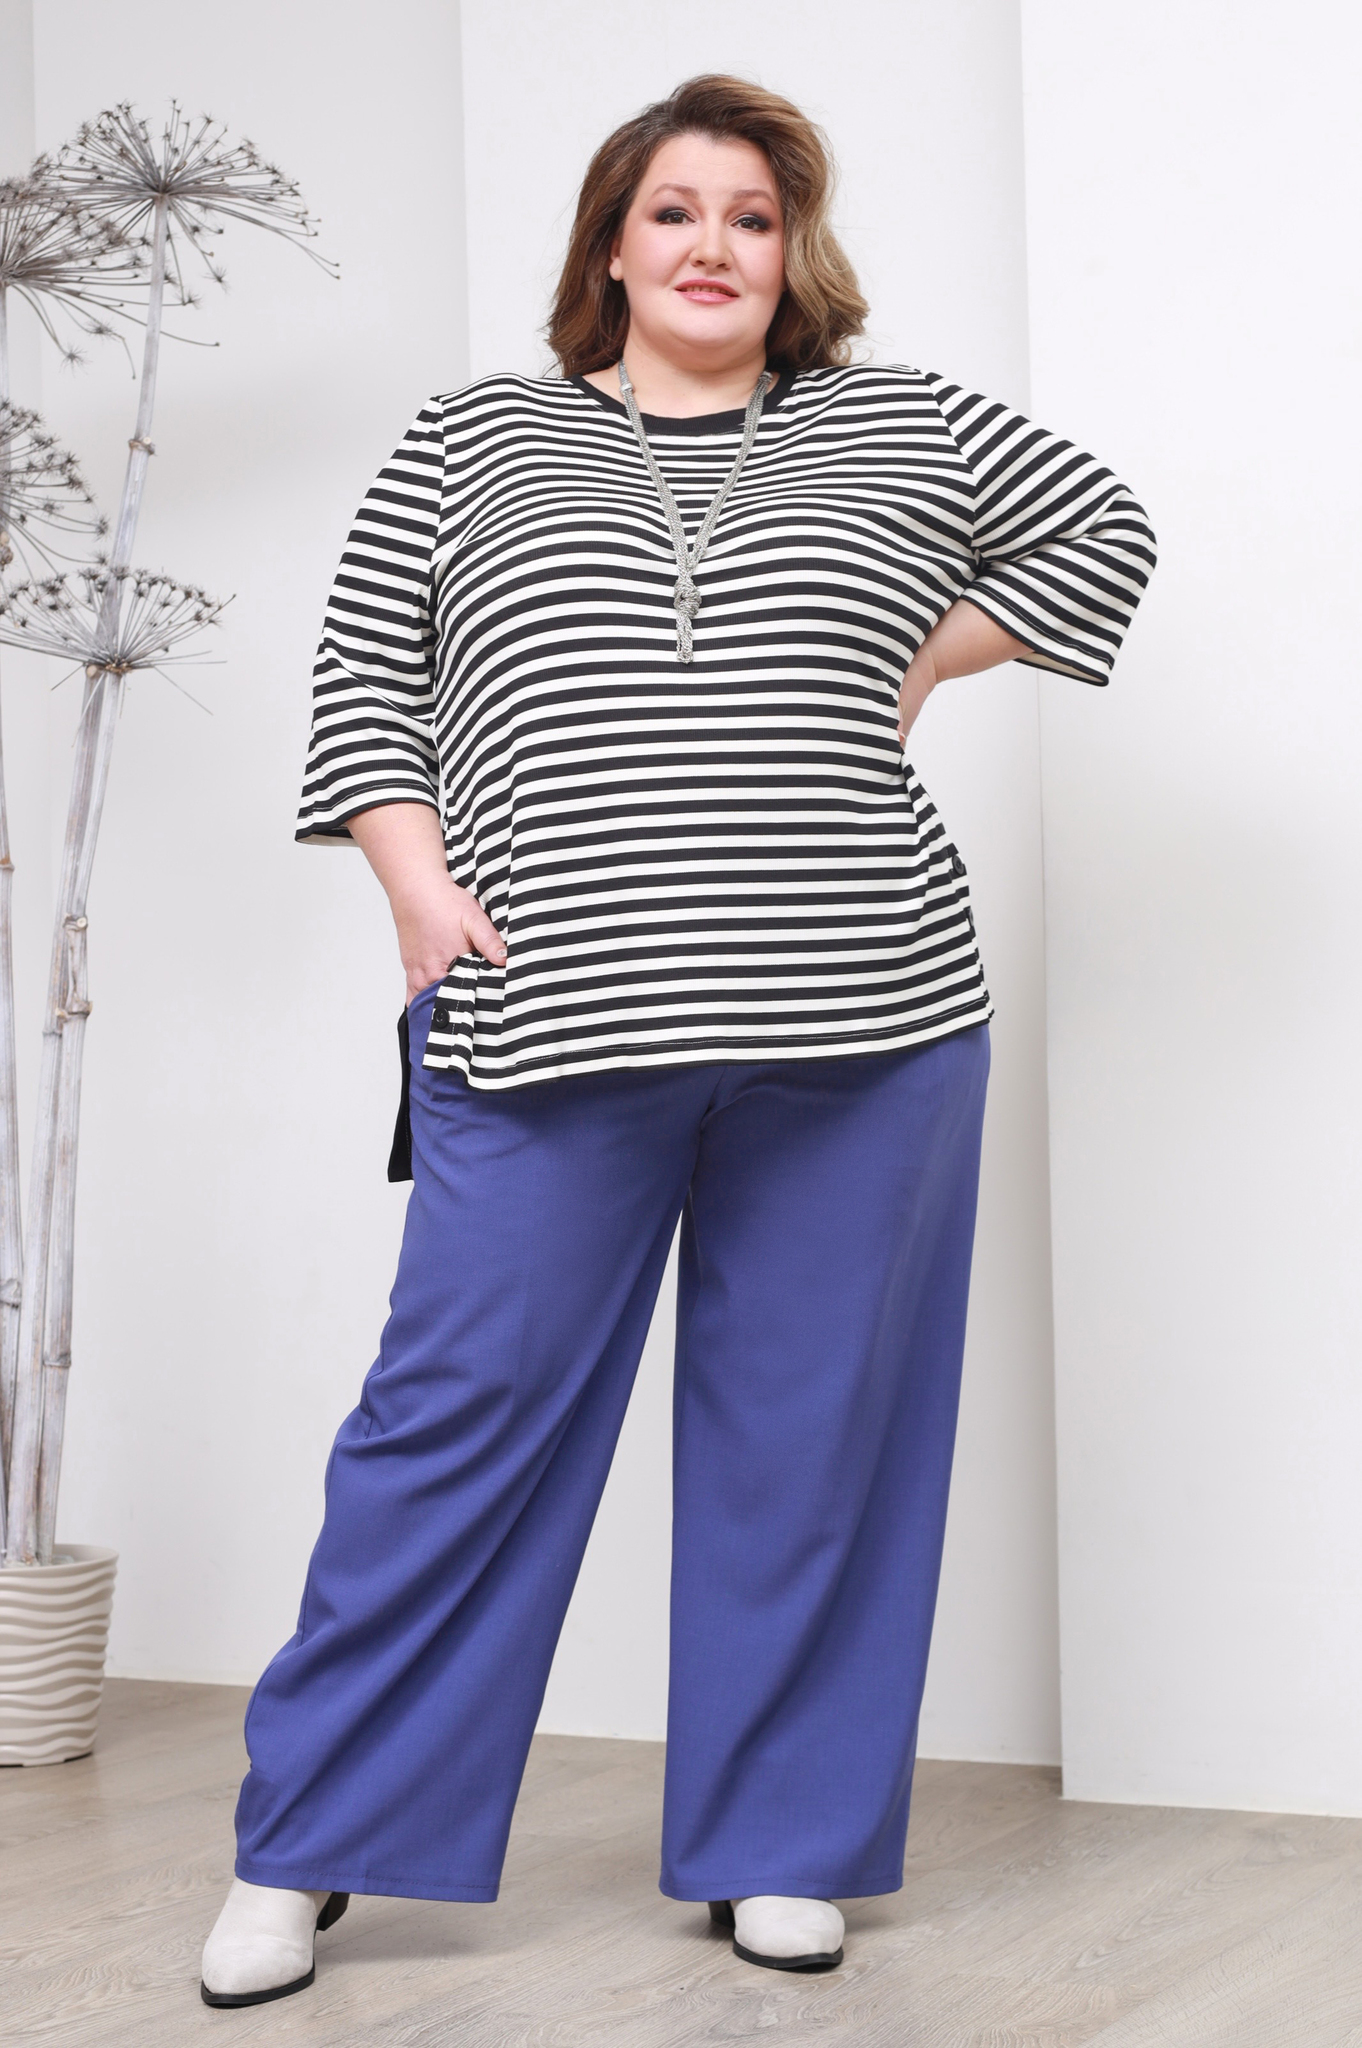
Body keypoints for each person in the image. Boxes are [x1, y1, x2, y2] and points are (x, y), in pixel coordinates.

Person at [200, 73, 1155, 2007]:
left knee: (812, 1446)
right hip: (543, 1015)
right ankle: (306, 1847)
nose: (712, 245)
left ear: (792, 254)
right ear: (612, 246)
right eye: (673, 211)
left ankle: (778, 1847)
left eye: (750, 216)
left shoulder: (896, 421)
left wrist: (928, 648)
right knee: (446, 1434)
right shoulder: (474, 438)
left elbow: (1102, 531)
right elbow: (366, 678)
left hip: (869, 1020)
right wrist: (415, 892)